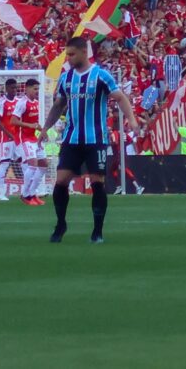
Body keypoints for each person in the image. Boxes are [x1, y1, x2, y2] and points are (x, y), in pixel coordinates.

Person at [45, 36, 126, 245]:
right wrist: (46, 127)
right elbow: (58, 105)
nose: (69, 58)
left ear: (83, 52)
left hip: (95, 139)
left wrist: (132, 120)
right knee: (61, 181)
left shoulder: (101, 76)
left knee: (97, 183)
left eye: (71, 54)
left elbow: (120, 97)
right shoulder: (66, 78)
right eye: (67, 55)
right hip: (71, 138)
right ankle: (61, 224)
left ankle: (97, 231)